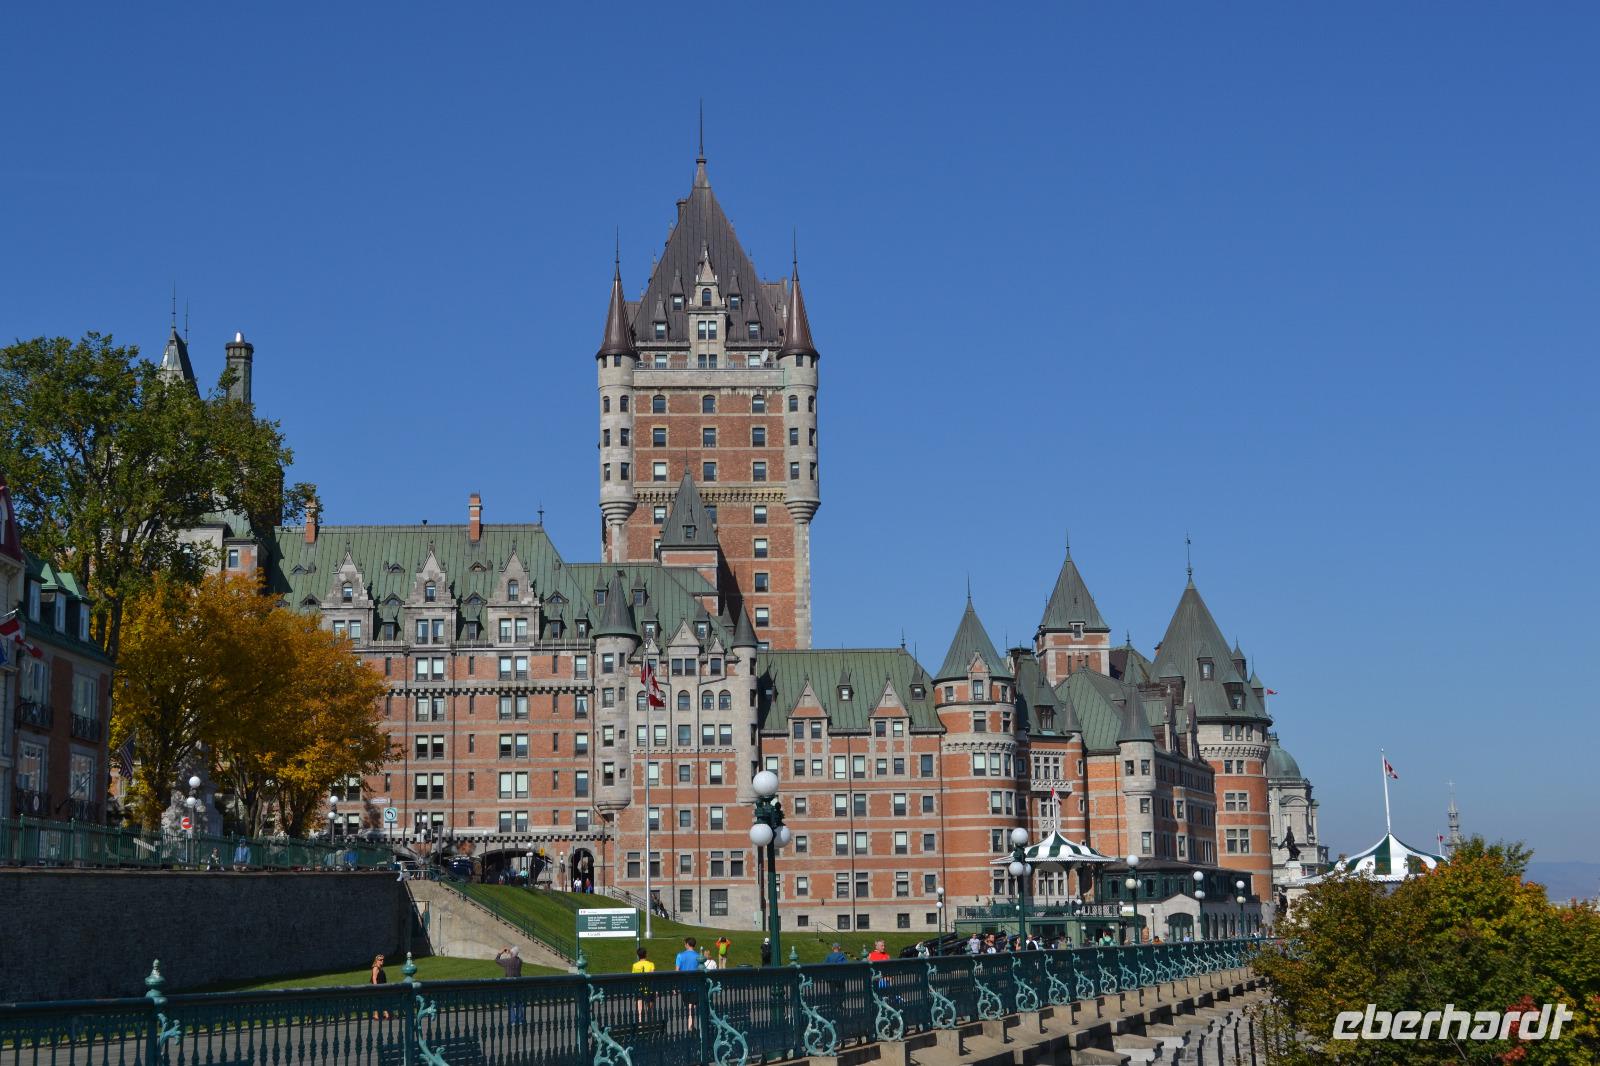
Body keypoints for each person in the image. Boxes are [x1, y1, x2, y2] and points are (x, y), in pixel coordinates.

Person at [675, 938, 701, 1030]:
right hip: (695, 983)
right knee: (692, 1005)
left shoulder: (680, 955)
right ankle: (691, 1024)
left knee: (689, 1005)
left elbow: (677, 971)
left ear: (687, 944)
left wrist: (675, 986)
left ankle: (690, 1024)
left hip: (684, 983)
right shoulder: (698, 956)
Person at [496, 946, 525, 1025]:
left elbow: (497, 960)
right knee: (519, 1002)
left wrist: (501, 953)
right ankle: (520, 1019)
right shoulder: (520, 961)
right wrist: (512, 953)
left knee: (510, 1003)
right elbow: (516, 957)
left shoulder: (508, 961)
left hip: (510, 985)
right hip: (518, 984)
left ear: (512, 953)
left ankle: (513, 1020)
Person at [631, 947, 655, 1022]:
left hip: (639, 988)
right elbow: (653, 977)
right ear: (646, 954)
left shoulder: (635, 965)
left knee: (640, 1011)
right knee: (650, 1011)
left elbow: (634, 977)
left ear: (638, 955)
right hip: (649, 989)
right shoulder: (651, 964)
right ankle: (650, 1026)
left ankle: (641, 1028)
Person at [370, 954, 391, 1019]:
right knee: (380, 1000)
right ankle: (385, 1014)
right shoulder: (376, 968)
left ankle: (377, 1015)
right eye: (380, 960)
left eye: (383, 959)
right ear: (376, 961)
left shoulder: (380, 968)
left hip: (382, 986)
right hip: (378, 987)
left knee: (379, 1001)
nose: (382, 961)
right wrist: (376, 988)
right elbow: (374, 978)